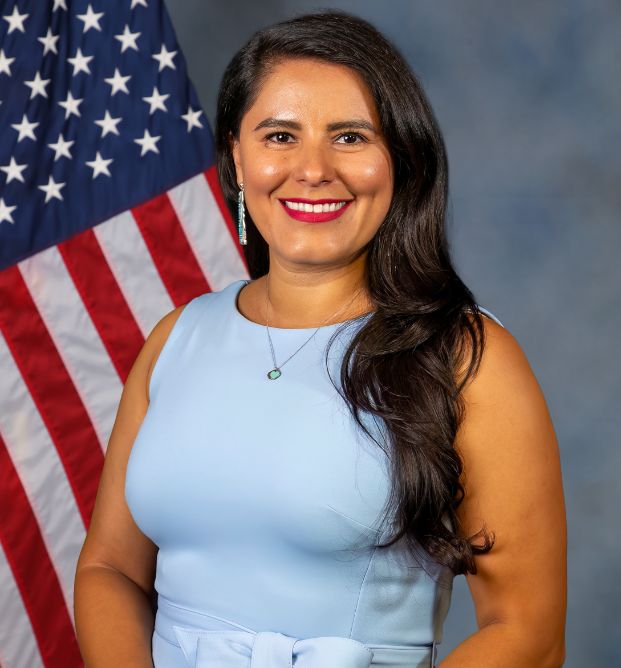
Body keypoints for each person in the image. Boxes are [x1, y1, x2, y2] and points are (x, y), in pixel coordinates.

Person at [74, 9, 567, 668]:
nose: (311, 169)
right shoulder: (177, 337)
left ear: (399, 160)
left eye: (350, 137)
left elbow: (527, 633)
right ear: (235, 156)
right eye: (279, 135)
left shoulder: (466, 357)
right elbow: (109, 568)